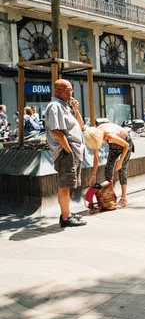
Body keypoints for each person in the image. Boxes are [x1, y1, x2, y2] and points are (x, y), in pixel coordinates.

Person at [44, 79, 87, 227]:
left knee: (68, 184)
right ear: (57, 91)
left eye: (70, 90)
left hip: (71, 151)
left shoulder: (64, 107)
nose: (70, 93)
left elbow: (80, 126)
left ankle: (67, 213)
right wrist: (68, 151)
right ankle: (65, 218)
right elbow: (57, 131)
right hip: (65, 152)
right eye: (66, 90)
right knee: (64, 185)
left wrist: (75, 109)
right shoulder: (55, 106)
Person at [84, 123, 133, 208]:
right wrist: (93, 174)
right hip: (113, 145)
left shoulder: (109, 135)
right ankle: (109, 196)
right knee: (108, 168)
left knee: (122, 169)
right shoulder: (95, 136)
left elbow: (126, 146)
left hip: (125, 143)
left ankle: (123, 198)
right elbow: (96, 157)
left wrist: (120, 162)